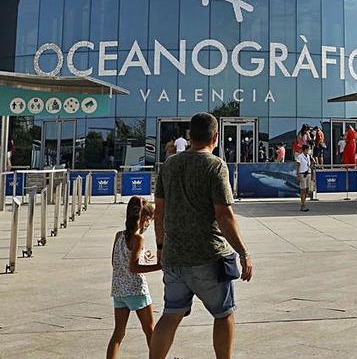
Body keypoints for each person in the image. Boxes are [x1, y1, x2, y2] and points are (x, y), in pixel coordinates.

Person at [149, 113, 253, 359]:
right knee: (224, 313)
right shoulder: (215, 166)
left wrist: (161, 246)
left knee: (171, 313)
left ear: (189, 136)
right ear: (215, 137)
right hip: (208, 256)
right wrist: (243, 252)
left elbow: (159, 210)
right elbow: (224, 215)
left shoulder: (169, 165)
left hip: (174, 256)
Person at [107, 197, 161, 359]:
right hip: (136, 290)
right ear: (145, 219)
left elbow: (115, 262)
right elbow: (134, 267)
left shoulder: (119, 236)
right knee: (150, 330)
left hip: (119, 290)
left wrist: (145, 257)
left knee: (118, 333)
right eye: (149, 221)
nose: (149, 224)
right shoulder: (139, 238)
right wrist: (160, 265)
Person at [295, 145, 312, 212]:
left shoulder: (308, 156)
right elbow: (298, 166)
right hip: (302, 174)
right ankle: (303, 204)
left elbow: (309, 165)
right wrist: (298, 175)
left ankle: (304, 202)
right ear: (304, 150)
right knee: (303, 190)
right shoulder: (300, 156)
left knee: (307, 189)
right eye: (308, 149)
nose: (309, 151)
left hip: (308, 173)